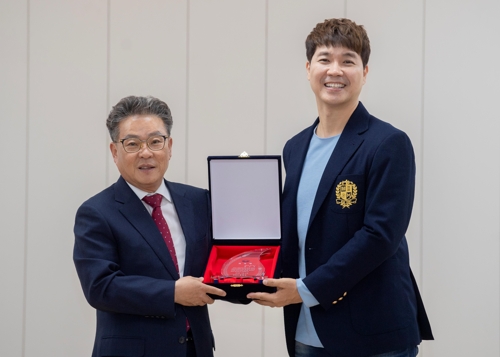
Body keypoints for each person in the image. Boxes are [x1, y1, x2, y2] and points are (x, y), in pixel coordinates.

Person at [247, 18, 433, 357]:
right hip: (308, 330)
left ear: (365, 71)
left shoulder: (387, 143)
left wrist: (307, 289)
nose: (335, 70)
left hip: (372, 332)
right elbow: (297, 232)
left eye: (348, 60)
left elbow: (380, 235)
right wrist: (241, 271)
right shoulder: (295, 146)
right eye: (324, 59)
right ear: (308, 69)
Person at [73, 95, 226, 357]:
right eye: (132, 143)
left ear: (169, 147)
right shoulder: (97, 212)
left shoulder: (199, 201)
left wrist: (252, 280)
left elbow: (218, 264)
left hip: (195, 349)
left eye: (156, 141)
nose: (146, 152)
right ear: (115, 152)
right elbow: (101, 287)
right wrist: (173, 292)